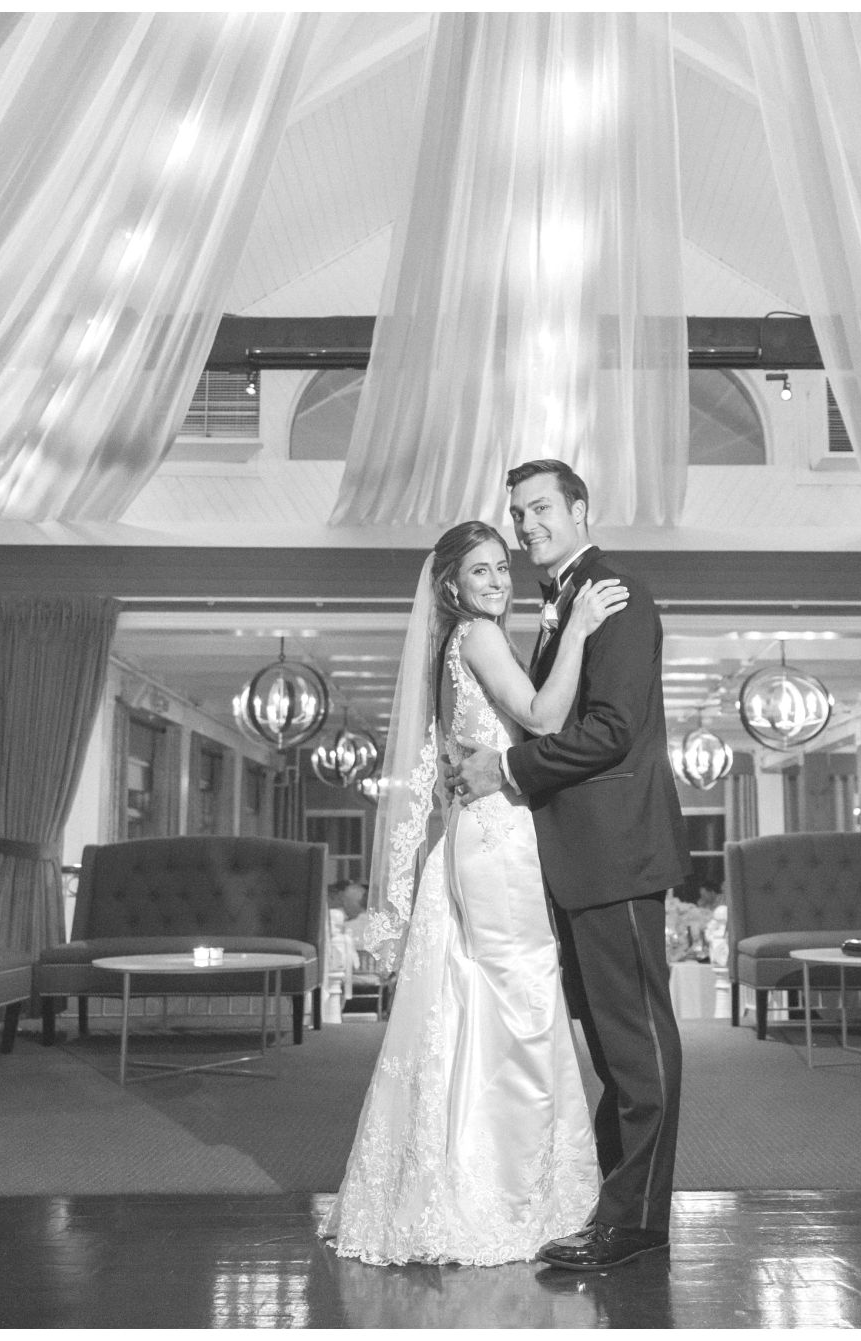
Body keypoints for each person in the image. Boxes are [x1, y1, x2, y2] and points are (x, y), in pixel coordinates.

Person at [320, 519, 630, 1266]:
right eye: (480, 570)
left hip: (478, 835)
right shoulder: (481, 637)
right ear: (452, 586)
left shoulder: (455, 644)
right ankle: (515, 1198)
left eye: (501, 567)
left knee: (480, 1005)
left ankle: (472, 1179)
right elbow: (543, 718)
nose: (497, 580)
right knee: (522, 999)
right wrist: (580, 628)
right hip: (498, 843)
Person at [452, 459, 692, 1272]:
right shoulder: (564, 603)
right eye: (518, 514)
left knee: (638, 1045)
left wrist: (506, 769)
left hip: (617, 852)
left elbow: (613, 729)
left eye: (542, 507)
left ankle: (637, 1222)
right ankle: (615, 1206)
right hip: (580, 859)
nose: (527, 525)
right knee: (614, 1049)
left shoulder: (615, 594)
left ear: (581, 508)